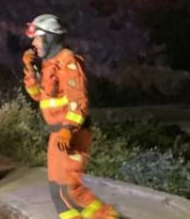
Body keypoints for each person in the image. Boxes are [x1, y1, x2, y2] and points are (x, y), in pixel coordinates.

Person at [23, 14, 119, 219]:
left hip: (70, 135)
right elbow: (38, 96)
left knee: (70, 190)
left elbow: (79, 101)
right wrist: (29, 69)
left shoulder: (67, 61)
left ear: (49, 38)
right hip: (57, 136)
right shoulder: (49, 64)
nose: (33, 44)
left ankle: (107, 217)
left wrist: (68, 129)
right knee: (57, 192)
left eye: (37, 38)